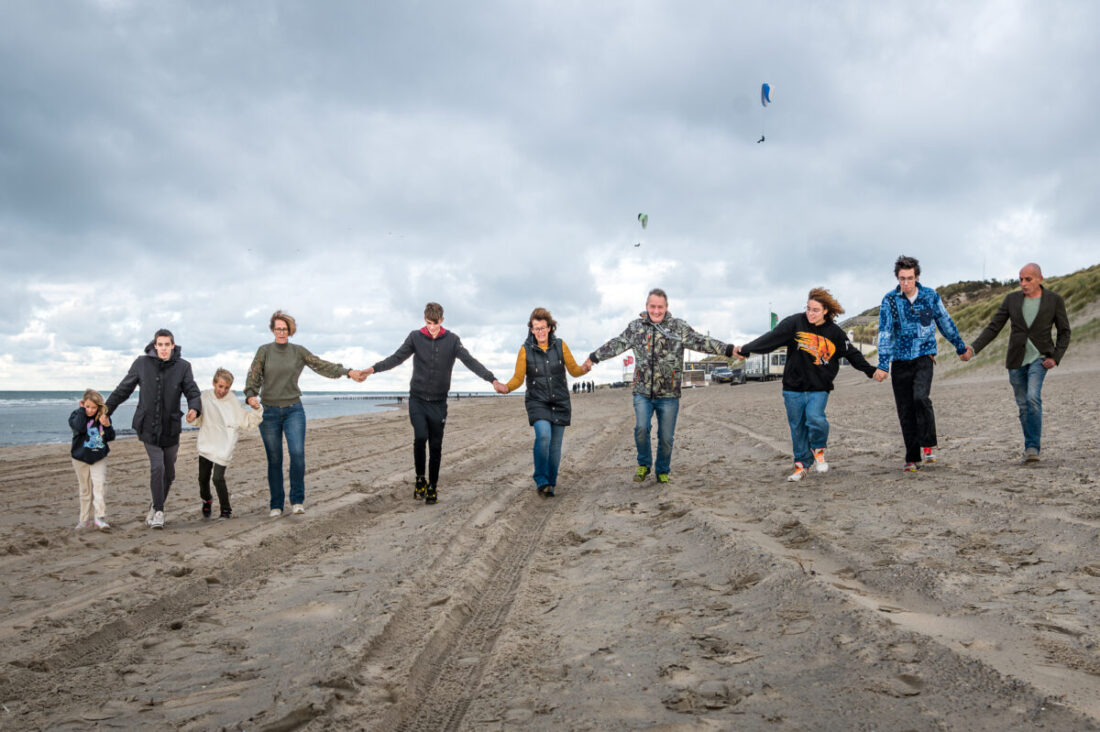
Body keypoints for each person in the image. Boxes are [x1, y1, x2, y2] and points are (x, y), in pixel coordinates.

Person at [584, 288, 735, 483]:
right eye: (652, 307)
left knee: (666, 438)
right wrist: (593, 358)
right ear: (646, 307)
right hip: (642, 392)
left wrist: (729, 349)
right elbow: (616, 344)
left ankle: (662, 469)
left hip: (669, 394)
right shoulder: (636, 327)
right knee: (641, 428)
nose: (656, 311)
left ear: (666, 307)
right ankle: (644, 464)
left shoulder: (678, 327)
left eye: (660, 307)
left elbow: (702, 341)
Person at [363, 302, 504, 505]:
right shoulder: (415, 337)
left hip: (439, 403)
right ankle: (420, 479)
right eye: (428, 323)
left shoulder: (452, 340)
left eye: (435, 323)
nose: (432, 327)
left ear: (442, 321)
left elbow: (471, 362)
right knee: (421, 437)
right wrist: (372, 369)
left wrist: (492, 380)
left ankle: (432, 486)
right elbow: (396, 358)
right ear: (424, 320)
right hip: (418, 400)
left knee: (436, 446)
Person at [736, 288, 878, 482]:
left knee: (815, 418)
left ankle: (818, 449)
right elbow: (771, 339)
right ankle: (801, 465)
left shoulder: (834, 333)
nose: (810, 313)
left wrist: (871, 371)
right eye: (808, 309)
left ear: (826, 311)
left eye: (815, 310)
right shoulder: (795, 323)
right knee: (798, 427)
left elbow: (852, 353)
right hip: (793, 387)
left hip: (819, 386)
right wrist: (746, 349)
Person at [246, 311, 366, 518]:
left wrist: (348, 372)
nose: (281, 332)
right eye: (277, 329)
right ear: (272, 330)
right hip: (269, 413)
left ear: (290, 330)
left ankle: (297, 501)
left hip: (294, 410)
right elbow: (253, 376)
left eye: (284, 329)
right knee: (274, 459)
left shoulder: (298, 351)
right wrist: (250, 396)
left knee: (298, 455)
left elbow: (321, 366)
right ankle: (276, 504)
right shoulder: (264, 351)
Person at [965, 263, 1071, 463]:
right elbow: (993, 327)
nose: (1023, 283)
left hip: (1040, 359)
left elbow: (1065, 331)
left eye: (1028, 279)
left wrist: (1055, 357)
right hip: (1016, 360)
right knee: (1023, 406)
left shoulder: (1054, 300)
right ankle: (1029, 447)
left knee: (1032, 398)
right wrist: (973, 348)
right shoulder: (1011, 300)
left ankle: (1033, 448)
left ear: (1039, 278)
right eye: (1020, 279)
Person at [873, 255, 969, 472]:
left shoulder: (930, 296)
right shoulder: (889, 300)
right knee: (905, 409)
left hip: (924, 356)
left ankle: (928, 443)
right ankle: (912, 457)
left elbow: (945, 321)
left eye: (909, 278)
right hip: (899, 360)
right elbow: (885, 332)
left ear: (917, 277)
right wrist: (883, 364)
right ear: (897, 278)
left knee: (920, 398)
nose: (905, 283)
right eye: (901, 279)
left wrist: (960, 347)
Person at [106, 329, 202, 529]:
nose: (164, 349)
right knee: (157, 466)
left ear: (172, 346)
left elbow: (192, 390)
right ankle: (159, 511)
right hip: (147, 425)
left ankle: (154, 505)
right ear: (155, 345)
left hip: (171, 427)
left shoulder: (183, 367)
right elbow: (124, 389)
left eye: (168, 345)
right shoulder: (141, 363)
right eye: (161, 344)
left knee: (169, 473)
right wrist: (107, 410)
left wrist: (194, 408)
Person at [498, 307, 588, 497]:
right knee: (544, 436)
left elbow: (573, 370)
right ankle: (541, 479)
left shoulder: (560, 346)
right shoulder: (525, 350)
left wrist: (584, 369)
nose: (540, 332)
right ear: (531, 329)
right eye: (536, 328)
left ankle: (550, 484)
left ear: (550, 328)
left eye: (543, 328)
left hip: (560, 400)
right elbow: (518, 378)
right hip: (537, 401)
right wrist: (506, 387)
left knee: (555, 446)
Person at [193, 368, 263, 519]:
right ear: (214, 383)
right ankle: (207, 500)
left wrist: (257, 410)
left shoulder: (232, 401)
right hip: (208, 441)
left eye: (227, 388)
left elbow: (245, 420)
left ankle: (226, 509)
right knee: (202, 479)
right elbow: (198, 418)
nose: (223, 390)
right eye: (220, 386)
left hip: (225, 444)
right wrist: (192, 415)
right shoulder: (205, 396)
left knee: (217, 478)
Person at [69, 389, 116, 530]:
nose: (90, 410)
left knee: (100, 486)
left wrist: (107, 425)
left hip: (98, 457)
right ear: (83, 405)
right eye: (88, 407)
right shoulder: (77, 415)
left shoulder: (102, 417)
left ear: (99, 407)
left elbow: (110, 437)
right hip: (80, 457)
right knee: (85, 490)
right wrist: (82, 411)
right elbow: (79, 427)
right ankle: (83, 520)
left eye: (94, 407)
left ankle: (99, 518)